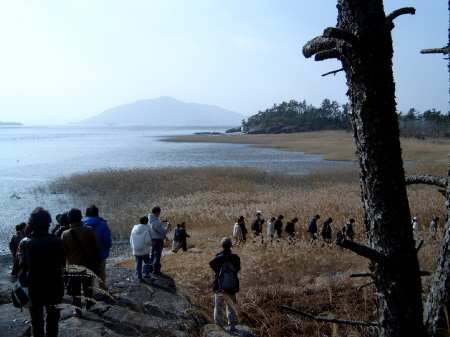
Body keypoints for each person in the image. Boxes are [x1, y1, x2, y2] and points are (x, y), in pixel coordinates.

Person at [18, 207, 65, 337]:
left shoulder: (25, 243)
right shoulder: (57, 241)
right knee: (53, 321)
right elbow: (62, 261)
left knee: (36, 322)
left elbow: (22, 265)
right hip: (54, 286)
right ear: (48, 224)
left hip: (34, 288)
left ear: (31, 224)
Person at [62, 208, 101, 318]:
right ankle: (89, 303)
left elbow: (63, 252)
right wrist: (97, 261)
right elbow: (96, 248)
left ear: (69, 219)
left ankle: (77, 310)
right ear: (80, 217)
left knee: (75, 290)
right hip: (87, 264)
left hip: (72, 266)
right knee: (88, 286)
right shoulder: (89, 230)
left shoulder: (65, 234)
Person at [209, 237, 241, 332]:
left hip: (219, 286)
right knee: (231, 306)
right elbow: (237, 269)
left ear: (222, 246)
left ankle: (219, 326)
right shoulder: (235, 258)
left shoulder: (218, 258)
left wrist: (219, 273)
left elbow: (212, 264)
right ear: (231, 245)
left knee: (218, 306)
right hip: (232, 285)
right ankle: (232, 326)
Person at [83, 204, 112, 290]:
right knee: (101, 271)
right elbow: (107, 239)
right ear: (97, 213)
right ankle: (102, 288)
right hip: (101, 252)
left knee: (88, 272)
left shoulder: (82, 224)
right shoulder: (103, 224)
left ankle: (90, 289)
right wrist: (108, 246)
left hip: (86, 253)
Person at [148, 206, 171, 275]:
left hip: (152, 239)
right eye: (159, 212)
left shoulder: (149, 221)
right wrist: (167, 227)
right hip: (158, 240)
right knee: (157, 255)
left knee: (152, 254)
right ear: (157, 212)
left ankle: (150, 268)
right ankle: (156, 270)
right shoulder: (157, 222)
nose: (159, 214)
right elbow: (163, 232)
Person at [130, 216, 152, 281]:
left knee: (138, 262)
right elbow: (148, 241)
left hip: (136, 249)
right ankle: (146, 273)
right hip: (144, 250)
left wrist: (132, 246)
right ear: (146, 222)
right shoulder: (146, 229)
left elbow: (131, 239)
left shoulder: (134, 229)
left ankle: (138, 276)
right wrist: (151, 244)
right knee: (147, 261)